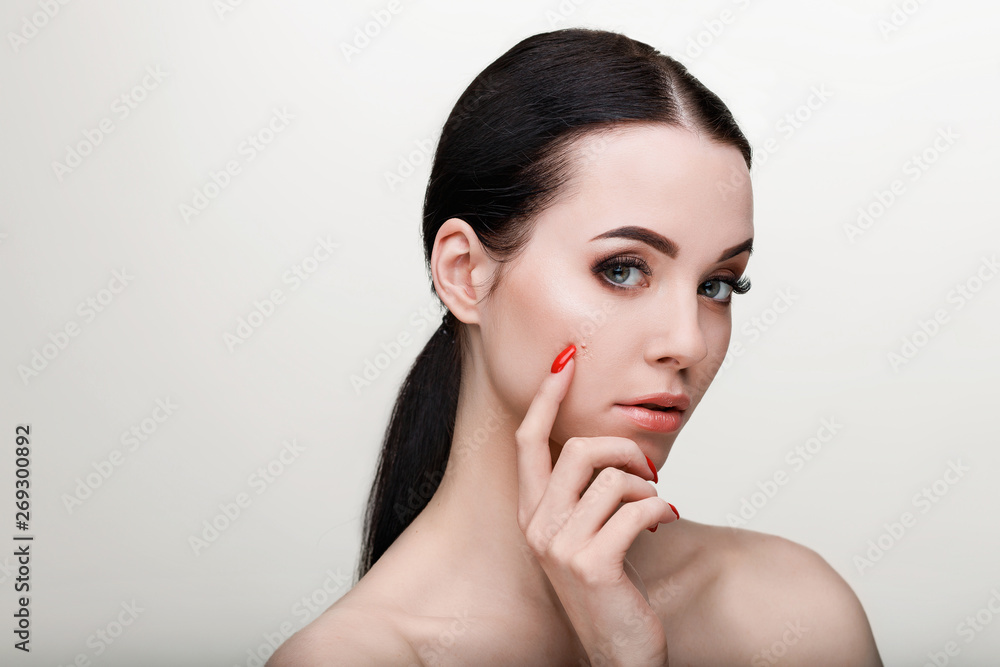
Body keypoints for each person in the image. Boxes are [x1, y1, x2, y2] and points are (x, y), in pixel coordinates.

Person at [268, 27, 883, 666]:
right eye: (622, 269)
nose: (687, 342)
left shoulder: (794, 613)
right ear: (465, 273)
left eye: (717, 285)